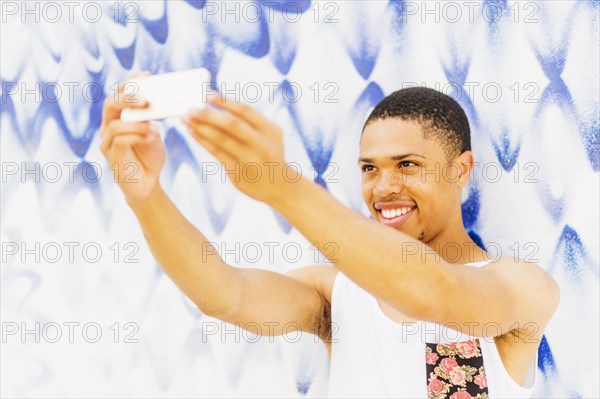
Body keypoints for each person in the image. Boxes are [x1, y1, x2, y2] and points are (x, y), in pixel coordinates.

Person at [99, 72, 560, 398]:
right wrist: (144, 196)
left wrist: (282, 186)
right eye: (369, 169)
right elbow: (224, 294)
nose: (383, 188)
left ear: (461, 171)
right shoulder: (335, 292)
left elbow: (432, 292)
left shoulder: (521, 286)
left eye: (407, 165)